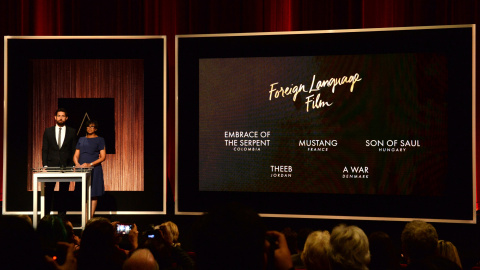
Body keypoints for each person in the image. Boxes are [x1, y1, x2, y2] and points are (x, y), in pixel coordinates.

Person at [42, 108, 77, 217]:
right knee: (48, 192)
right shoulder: (48, 131)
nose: (60, 118)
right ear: (55, 117)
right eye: (59, 116)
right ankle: (46, 215)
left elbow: (73, 150)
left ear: (66, 118)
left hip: (66, 166)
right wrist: (45, 165)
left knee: (64, 192)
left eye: (63, 116)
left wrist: (72, 165)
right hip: (51, 166)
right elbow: (45, 149)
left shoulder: (72, 131)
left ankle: (62, 216)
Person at [73, 120, 106, 216]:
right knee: (83, 193)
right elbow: (76, 155)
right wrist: (77, 164)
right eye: (88, 126)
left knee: (93, 193)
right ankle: (85, 216)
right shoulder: (81, 139)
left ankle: (90, 217)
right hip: (82, 169)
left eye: (92, 126)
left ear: (96, 129)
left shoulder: (100, 139)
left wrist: (90, 164)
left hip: (94, 169)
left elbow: (103, 157)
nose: (89, 128)